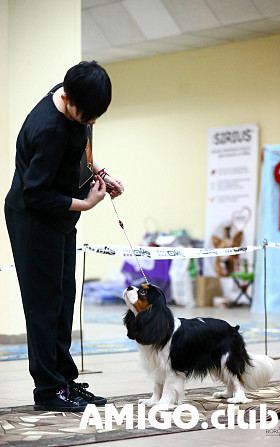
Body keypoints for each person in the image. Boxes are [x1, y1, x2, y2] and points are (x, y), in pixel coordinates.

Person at [4, 61, 124, 412]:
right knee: (44, 307)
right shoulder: (48, 128)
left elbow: (79, 151)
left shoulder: (78, 100)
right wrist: (86, 203)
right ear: (67, 99)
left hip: (59, 217)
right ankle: (48, 390)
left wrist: (98, 173)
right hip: (33, 218)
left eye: (95, 118)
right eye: (87, 117)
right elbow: (33, 193)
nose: (92, 123)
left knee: (63, 299)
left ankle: (65, 381)